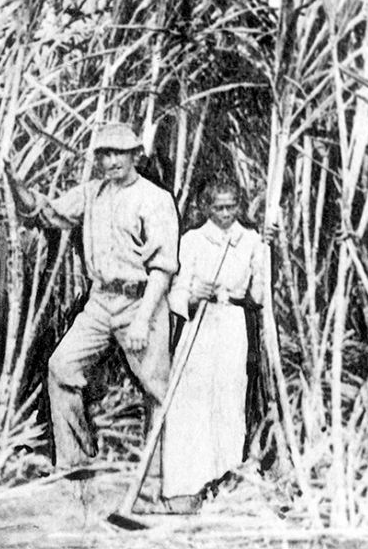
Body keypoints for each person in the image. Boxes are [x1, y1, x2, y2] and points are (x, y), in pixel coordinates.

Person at [5, 122, 179, 470]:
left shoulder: (155, 199)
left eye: (119, 153)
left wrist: (143, 320)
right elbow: (46, 213)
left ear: (135, 156)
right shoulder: (91, 193)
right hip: (101, 302)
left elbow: (163, 268)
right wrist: (12, 179)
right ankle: (75, 463)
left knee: (157, 388)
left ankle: (163, 472)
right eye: (104, 153)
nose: (111, 160)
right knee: (62, 367)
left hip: (141, 301)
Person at [161, 178, 266, 513]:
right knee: (189, 404)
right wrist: (192, 296)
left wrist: (267, 253)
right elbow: (175, 292)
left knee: (228, 400)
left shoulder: (250, 241)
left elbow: (260, 295)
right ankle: (185, 487)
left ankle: (223, 481)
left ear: (239, 205)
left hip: (232, 326)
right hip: (198, 329)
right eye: (218, 207)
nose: (225, 213)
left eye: (231, 206)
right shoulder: (192, 240)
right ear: (205, 207)